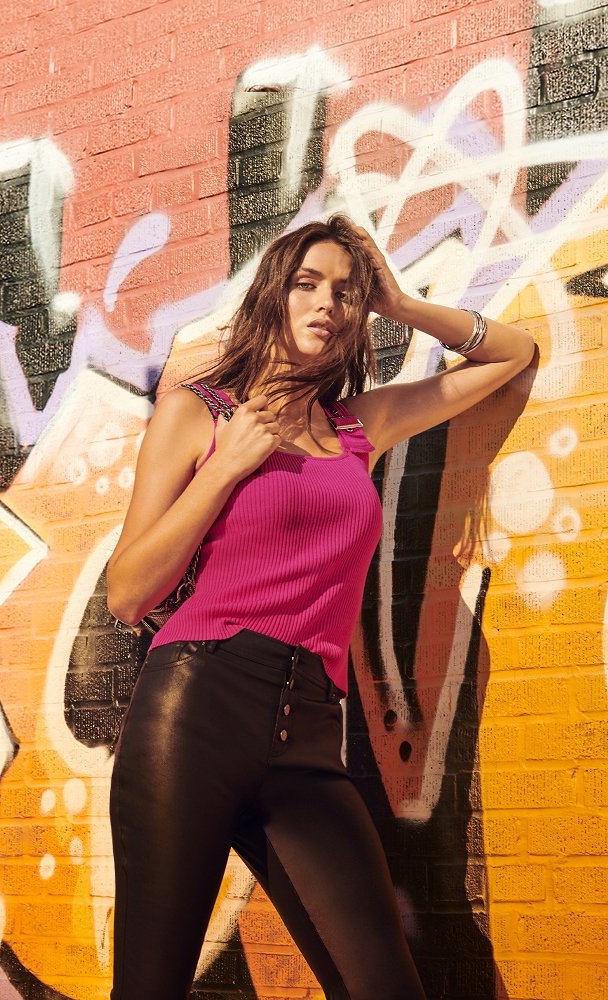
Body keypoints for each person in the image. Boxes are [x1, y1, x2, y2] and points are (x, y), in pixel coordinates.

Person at [105, 213, 535, 1000]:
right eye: (307, 284)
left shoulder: (358, 427)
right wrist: (224, 469)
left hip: (307, 739)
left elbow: (512, 354)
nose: (327, 304)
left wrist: (399, 303)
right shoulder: (197, 413)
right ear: (273, 295)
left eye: (345, 291)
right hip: (195, 712)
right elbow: (129, 591)